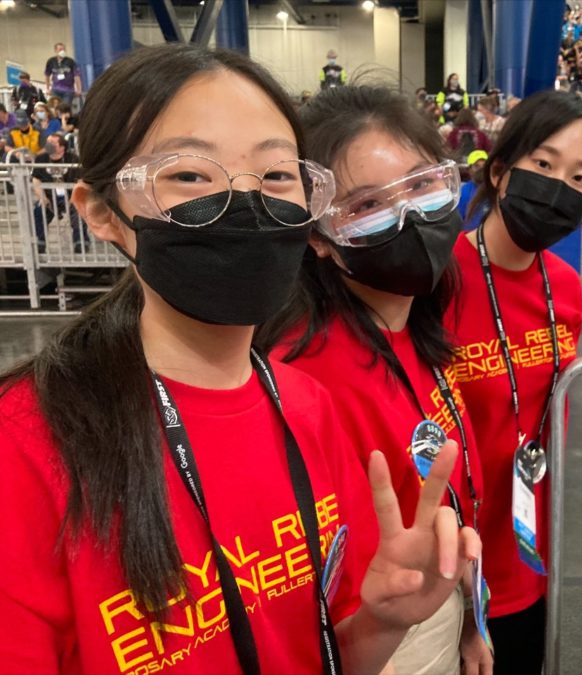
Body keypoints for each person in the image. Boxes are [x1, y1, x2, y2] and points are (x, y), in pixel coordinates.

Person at [0, 44, 478, 673]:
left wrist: (385, 619)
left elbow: (325, 653)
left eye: (277, 176)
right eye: (192, 175)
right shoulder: (29, 446)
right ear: (102, 213)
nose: (245, 203)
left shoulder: (308, 407)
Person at [258, 85, 491, 675]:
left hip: (440, 603)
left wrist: (469, 619)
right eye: (365, 206)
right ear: (318, 237)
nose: (409, 214)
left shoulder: (420, 329)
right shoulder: (302, 373)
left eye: (420, 183)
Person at [447, 90, 582, 674]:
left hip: (526, 551)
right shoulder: (437, 281)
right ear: (499, 170)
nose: (558, 186)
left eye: (579, 177)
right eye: (543, 165)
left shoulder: (564, 287)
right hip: (450, 565)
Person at [31, 132, 88, 253]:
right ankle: (40, 242)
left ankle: (80, 242)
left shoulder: (72, 158)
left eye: (52, 143)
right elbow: (36, 179)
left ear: (62, 147)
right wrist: (42, 197)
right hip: (49, 196)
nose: (48, 145)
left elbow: (81, 180)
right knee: (38, 210)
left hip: (70, 196)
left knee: (79, 210)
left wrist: (74, 197)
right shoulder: (41, 159)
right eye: (48, 142)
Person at [458, 149, 489, 230]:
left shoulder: (496, 189)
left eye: (484, 166)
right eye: (477, 166)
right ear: (469, 170)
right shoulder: (462, 192)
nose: (481, 169)